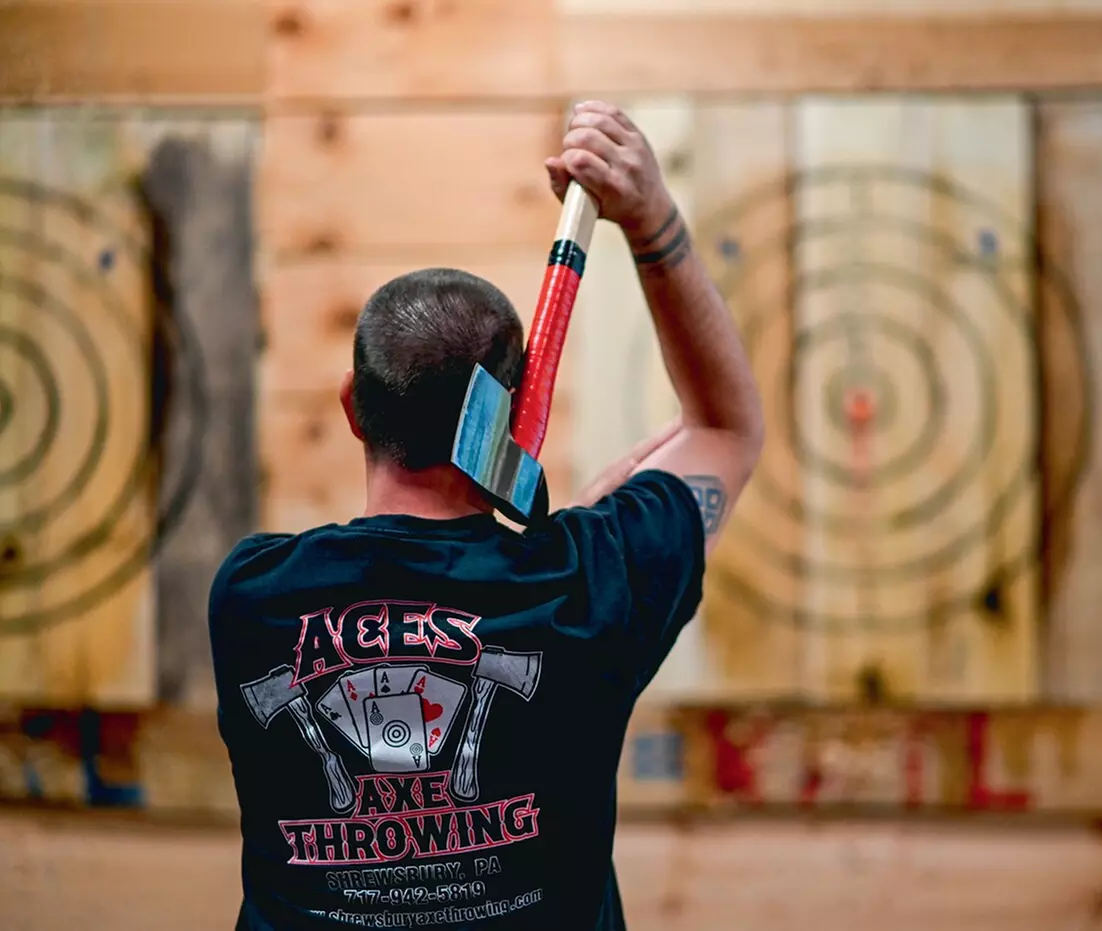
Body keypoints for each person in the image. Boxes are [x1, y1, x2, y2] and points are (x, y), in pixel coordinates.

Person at [208, 100, 765, 931]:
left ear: (352, 406)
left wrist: (569, 536)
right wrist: (650, 219)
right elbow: (722, 429)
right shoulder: (588, 589)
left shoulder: (249, 594)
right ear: (509, 420)